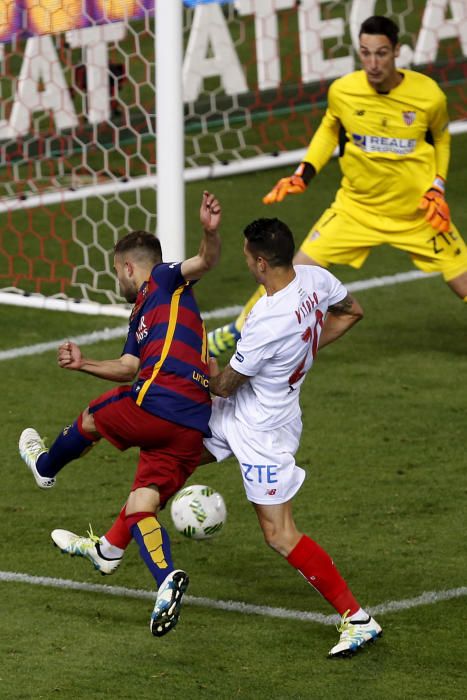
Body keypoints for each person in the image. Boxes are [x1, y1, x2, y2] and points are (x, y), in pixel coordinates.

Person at [55, 216, 381, 658]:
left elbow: (224, 384)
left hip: (262, 430)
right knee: (166, 454)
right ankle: (110, 548)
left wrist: (200, 371)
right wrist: (301, 353)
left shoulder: (266, 320)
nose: (245, 261)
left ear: (261, 262)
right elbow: (352, 312)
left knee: (278, 533)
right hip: (238, 414)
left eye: (247, 255)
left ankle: (357, 619)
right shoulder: (315, 279)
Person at [18, 190, 222, 637]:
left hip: (163, 399)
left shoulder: (166, 279)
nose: (118, 280)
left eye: (117, 272)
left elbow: (203, 262)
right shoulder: (140, 315)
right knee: (140, 504)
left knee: (93, 416)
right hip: (190, 427)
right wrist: (85, 363)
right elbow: (129, 366)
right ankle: (154, 573)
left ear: (129, 266)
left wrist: (209, 232)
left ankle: (45, 467)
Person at [208, 14, 467, 357]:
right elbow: (329, 128)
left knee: (463, 282)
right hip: (355, 210)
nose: (373, 63)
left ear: (397, 52)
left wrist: (437, 186)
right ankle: (236, 332)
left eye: (381, 53)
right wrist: (304, 173)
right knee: (290, 271)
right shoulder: (344, 91)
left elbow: (442, 140)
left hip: (417, 213)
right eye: (365, 53)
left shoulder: (427, 96)